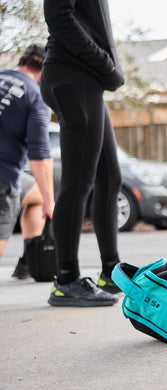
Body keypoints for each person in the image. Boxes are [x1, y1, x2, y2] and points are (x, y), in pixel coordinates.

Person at [41, 0, 125, 306]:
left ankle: (111, 272)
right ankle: (66, 280)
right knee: (77, 183)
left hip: (86, 77)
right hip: (71, 73)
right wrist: (105, 63)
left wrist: (107, 67)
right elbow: (58, 16)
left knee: (110, 177)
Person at [0, 44, 54, 274]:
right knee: (43, 200)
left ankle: (28, 262)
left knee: (35, 197)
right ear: (45, 70)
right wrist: (50, 201)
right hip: (2, 177)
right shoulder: (35, 95)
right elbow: (39, 154)